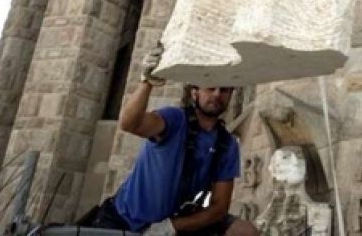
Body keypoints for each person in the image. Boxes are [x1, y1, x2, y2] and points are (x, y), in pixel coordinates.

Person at [87, 44, 258, 236]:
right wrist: (147, 82)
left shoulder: (227, 145)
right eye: (210, 88)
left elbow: (219, 207)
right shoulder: (175, 120)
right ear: (195, 92)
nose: (217, 94)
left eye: (224, 90)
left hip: (172, 224)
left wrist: (172, 227)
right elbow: (130, 124)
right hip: (123, 220)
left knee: (244, 232)